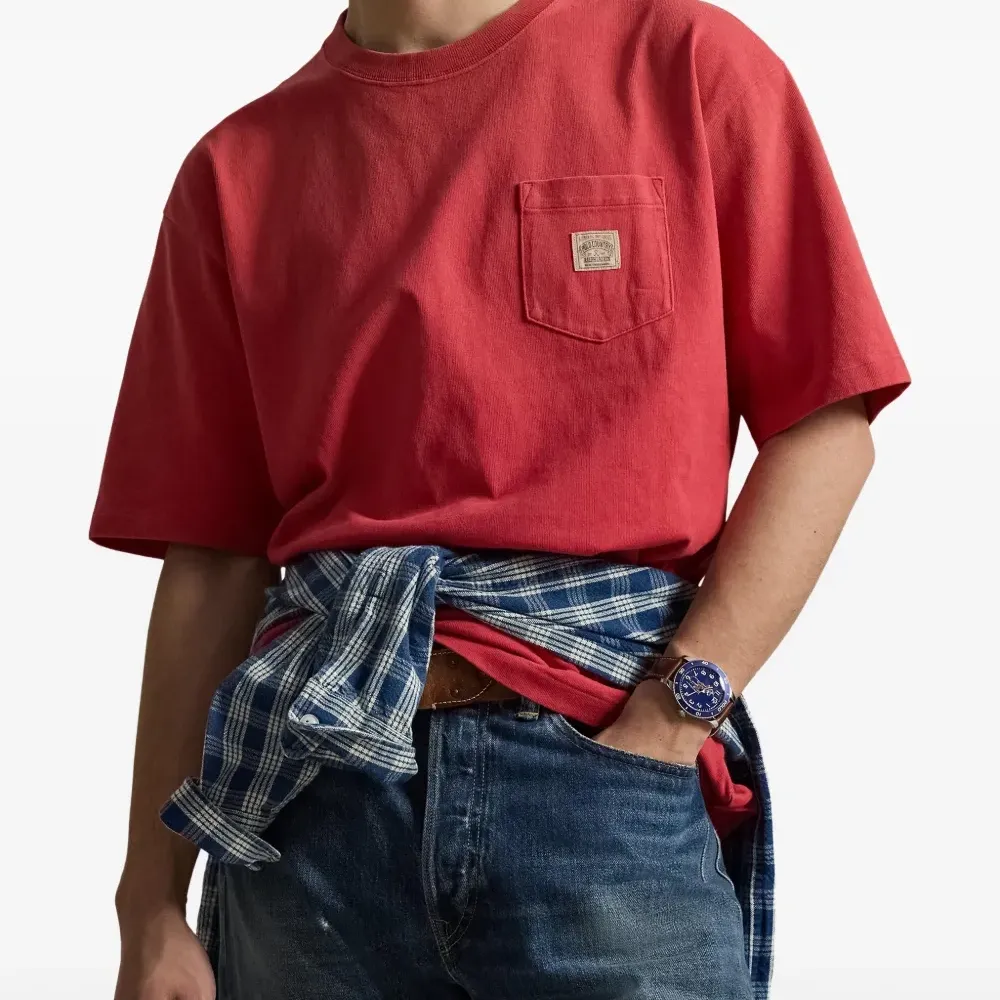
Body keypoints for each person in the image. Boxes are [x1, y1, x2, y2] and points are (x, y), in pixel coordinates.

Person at [91, 1, 911, 998]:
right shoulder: (234, 169)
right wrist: (149, 900)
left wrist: (674, 717)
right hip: (309, 803)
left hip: (602, 775)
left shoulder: (689, 64)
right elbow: (213, 560)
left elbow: (825, 428)